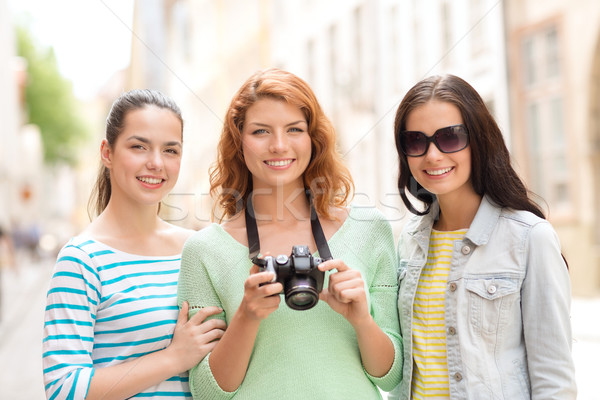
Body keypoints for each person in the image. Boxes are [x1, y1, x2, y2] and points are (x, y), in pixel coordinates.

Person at [177, 68, 402, 399]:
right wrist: (246, 316)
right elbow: (207, 393)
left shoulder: (370, 230)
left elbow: (392, 377)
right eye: (261, 131)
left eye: (295, 129)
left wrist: (362, 320)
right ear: (238, 142)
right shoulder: (204, 250)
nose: (279, 145)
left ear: (314, 139)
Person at [388, 74, 577, 399]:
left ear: (479, 139)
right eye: (416, 141)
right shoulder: (409, 242)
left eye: (449, 138)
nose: (432, 155)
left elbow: (555, 380)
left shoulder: (531, 239)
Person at [42, 89, 226, 400]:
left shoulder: (197, 249)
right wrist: (173, 357)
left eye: (170, 150)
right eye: (139, 147)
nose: (156, 163)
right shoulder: (82, 260)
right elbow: (64, 389)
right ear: (107, 153)